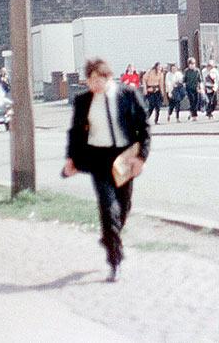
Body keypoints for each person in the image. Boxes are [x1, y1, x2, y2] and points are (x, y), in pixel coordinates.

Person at [63, 58, 149, 282]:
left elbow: (143, 127)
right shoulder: (84, 101)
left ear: (108, 77)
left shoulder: (127, 95)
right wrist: (71, 159)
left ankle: (109, 235)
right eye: (90, 80)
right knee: (108, 206)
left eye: (98, 79)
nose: (94, 85)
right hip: (98, 159)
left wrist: (141, 157)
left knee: (124, 206)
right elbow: (76, 132)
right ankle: (115, 259)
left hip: (123, 157)